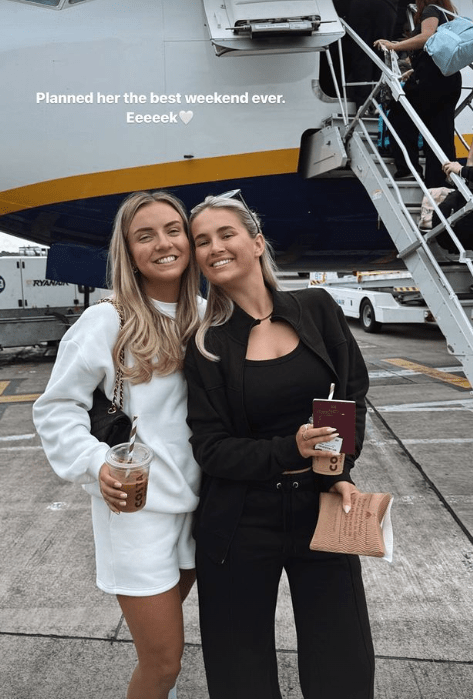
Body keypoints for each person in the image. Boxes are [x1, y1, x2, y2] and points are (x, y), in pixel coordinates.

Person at [184, 191, 375, 699]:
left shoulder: (316, 308)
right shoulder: (206, 343)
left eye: (226, 234)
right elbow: (212, 449)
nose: (214, 248)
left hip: (321, 506)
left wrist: (339, 470)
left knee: (345, 665)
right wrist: (289, 449)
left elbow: (350, 394)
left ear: (256, 241)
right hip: (240, 518)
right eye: (202, 241)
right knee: (238, 672)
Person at [33, 190, 205, 699]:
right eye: (145, 235)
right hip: (137, 510)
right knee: (163, 661)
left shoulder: (206, 313)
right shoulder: (108, 319)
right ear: (128, 252)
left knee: (168, 655)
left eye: (173, 230)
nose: (164, 243)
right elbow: (56, 406)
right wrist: (94, 463)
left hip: (199, 506)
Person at [374, 0, 462, 188]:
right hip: (448, 78)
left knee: (399, 116)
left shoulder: (430, 10)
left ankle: (407, 170)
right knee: (440, 131)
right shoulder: (448, 13)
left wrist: (394, 46)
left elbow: (427, 37)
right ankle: (439, 184)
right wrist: (413, 70)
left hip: (430, 80)